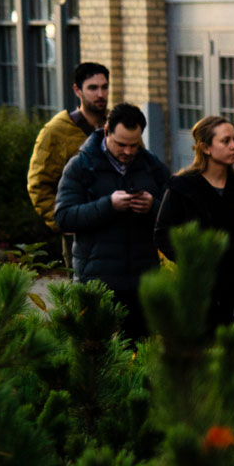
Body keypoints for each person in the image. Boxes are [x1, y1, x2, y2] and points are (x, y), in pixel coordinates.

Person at [54, 102, 170, 339]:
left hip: (142, 281)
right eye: (121, 145)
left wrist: (153, 207)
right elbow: (64, 217)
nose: (128, 151)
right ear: (106, 131)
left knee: (139, 356)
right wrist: (108, 205)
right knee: (95, 353)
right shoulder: (81, 166)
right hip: (96, 281)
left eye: (133, 145)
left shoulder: (152, 166)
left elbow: (177, 217)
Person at [154, 115, 234, 333]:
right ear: (205, 147)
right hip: (200, 289)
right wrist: (192, 261)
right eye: (225, 141)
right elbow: (162, 233)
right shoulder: (183, 187)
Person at [28, 62, 109, 238]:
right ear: (77, 90)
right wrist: (61, 221)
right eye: (93, 88)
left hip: (116, 228)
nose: (100, 94)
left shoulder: (117, 124)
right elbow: (38, 184)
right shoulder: (55, 131)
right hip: (79, 231)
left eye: (104, 87)